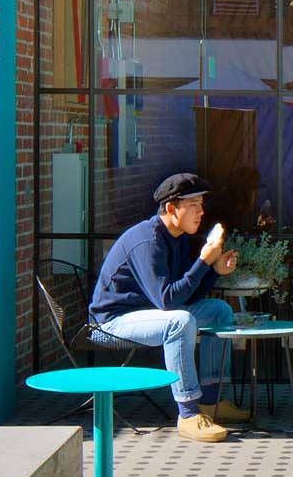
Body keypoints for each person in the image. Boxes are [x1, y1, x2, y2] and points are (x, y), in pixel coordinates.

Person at [89, 172, 249, 442]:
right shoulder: (148, 241)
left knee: (219, 310)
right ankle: (187, 413)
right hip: (111, 323)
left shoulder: (177, 237)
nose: (201, 212)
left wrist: (214, 270)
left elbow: (187, 294)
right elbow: (168, 300)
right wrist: (203, 262)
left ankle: (210, 400)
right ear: (172, 209)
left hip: (150, 315)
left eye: (201, 205)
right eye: (194, 206)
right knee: (180, 321)